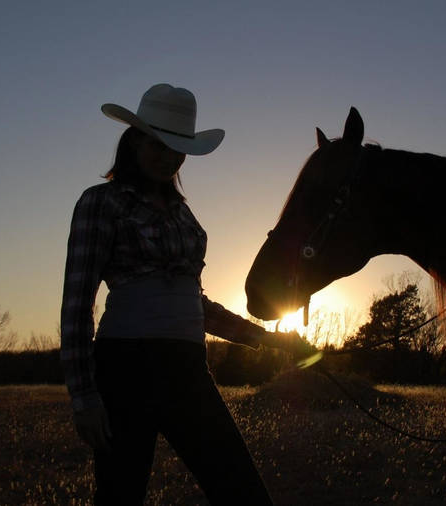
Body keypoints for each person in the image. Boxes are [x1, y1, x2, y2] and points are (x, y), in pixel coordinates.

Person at [61, 83, 312, 505]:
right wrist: (83, 396)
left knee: (242, 492)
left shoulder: (183, 214)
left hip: (188, 369)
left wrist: (266, 338)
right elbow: (76, 302)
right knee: (120, 495)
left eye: (178, 148)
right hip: (125, 367)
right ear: (134, 141)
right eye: (158, 144)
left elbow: (196, 304)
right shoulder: (101, 203)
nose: (169, 157)